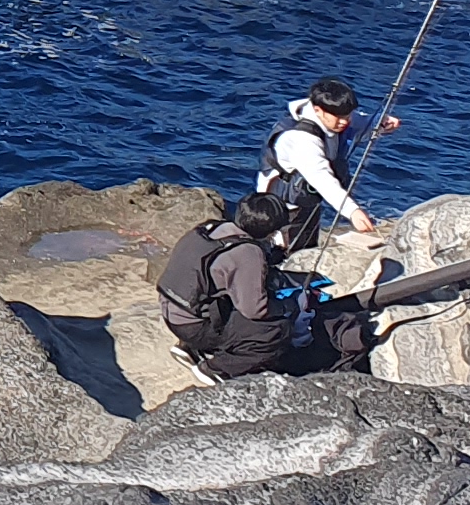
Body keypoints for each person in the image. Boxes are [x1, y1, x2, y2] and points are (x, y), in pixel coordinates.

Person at [156, 191, 376, 381]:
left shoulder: (210, 229)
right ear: (271, 230)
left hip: (172, 310)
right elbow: (255, 309)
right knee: (274, 330)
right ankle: (216, 369)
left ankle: (191, 348)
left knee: (222, 300)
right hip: (194, 325)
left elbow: (219, 269)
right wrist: (290, 306)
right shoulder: (249, 253)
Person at [258, 76, 397, 256]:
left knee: (307, 248)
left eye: (347, 116)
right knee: (286, 253)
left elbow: (361, 121)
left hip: (306, 199)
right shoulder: (301, 139)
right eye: (339, 118)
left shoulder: (336, 117)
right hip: (284, 207)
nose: (345, 122)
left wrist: (381, 122)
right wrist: (352, 211)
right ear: (318, 110)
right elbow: (322, 179)